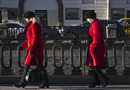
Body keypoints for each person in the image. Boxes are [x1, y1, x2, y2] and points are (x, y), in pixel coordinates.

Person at [13, 11, 49, 88]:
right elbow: (30, 39)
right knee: (39, 66)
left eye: (26, 18)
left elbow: (35, 38)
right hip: (34, 48)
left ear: (29, 18)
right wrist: (22, 45)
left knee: (27, 65)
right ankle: (46, 82)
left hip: (34, 49)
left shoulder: (34, 25)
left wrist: (32, 48)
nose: (25, 19)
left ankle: (22, 82)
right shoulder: (33, 25)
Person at [85, 11, 109, 88]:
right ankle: (96, 81)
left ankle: (104, 78)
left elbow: (96, 37)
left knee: (94, 65)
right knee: (93, 65)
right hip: (96, 47)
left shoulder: (95, 25)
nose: (87, 20)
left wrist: (92, 47)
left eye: (87, 18)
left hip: (95, 48)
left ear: (90, 18)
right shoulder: (95, 24)